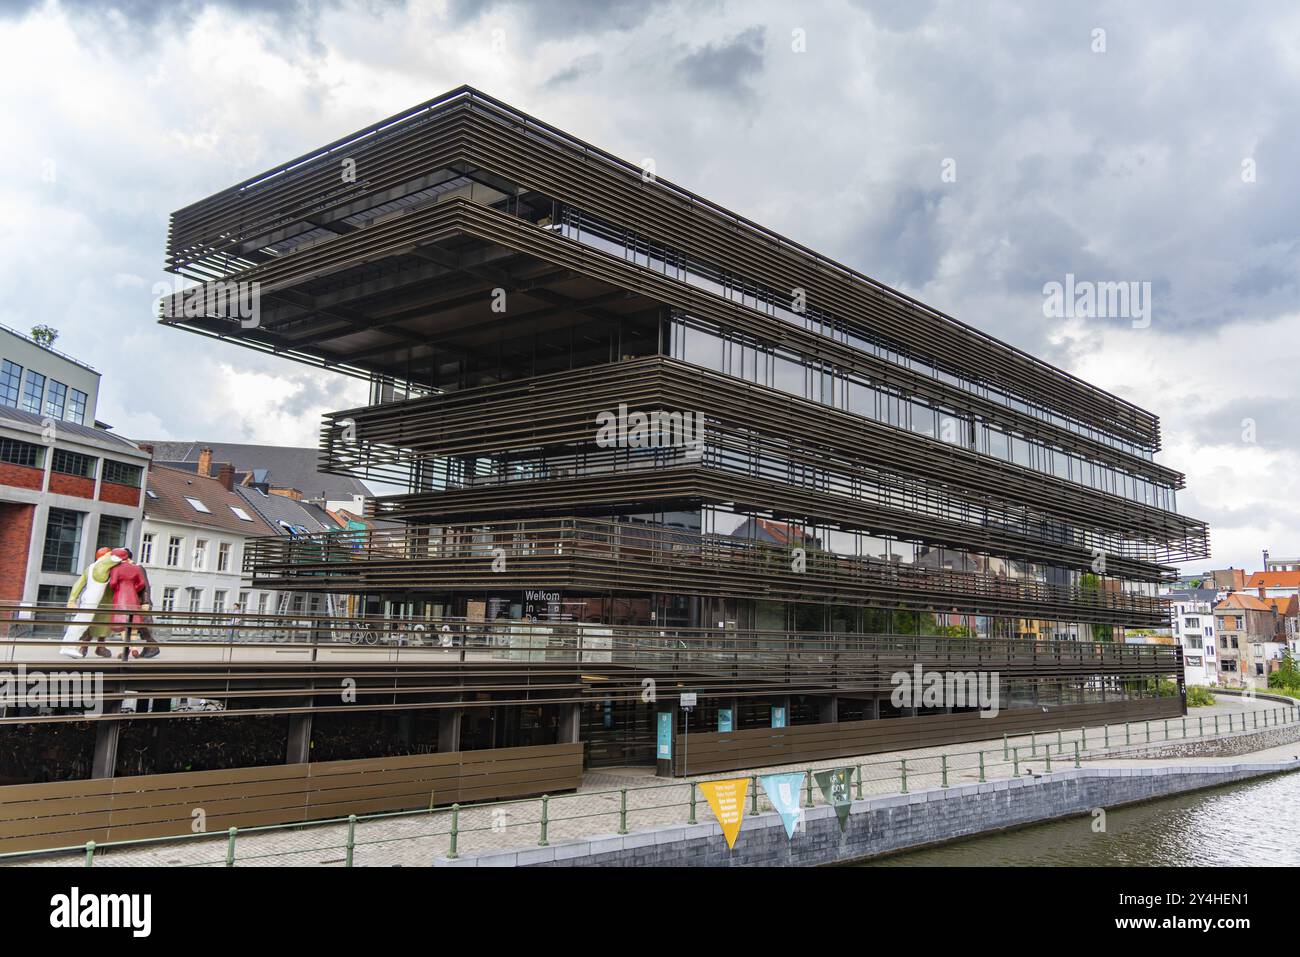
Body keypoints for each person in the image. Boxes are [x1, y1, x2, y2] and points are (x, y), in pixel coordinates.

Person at [59, 549, 122, 658]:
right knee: (81, 623)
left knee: (80, 622)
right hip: (92, 600)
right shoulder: (103, 564)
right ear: (103, 556)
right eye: (108, 554)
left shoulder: (91, 567)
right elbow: (119, 557)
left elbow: (79, 583)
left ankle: (68, 646)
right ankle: (68, 647)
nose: (110, 555)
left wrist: (72, 599)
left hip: (87, 597)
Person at [109, 547, 160, 660]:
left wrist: (145, 602)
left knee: (137, 627)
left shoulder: (137, 568)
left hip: (139, 602)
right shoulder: (133, 568)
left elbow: (145, 586)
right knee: (133, 627)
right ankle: (130, 650)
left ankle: (150, 647)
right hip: (134, 600)